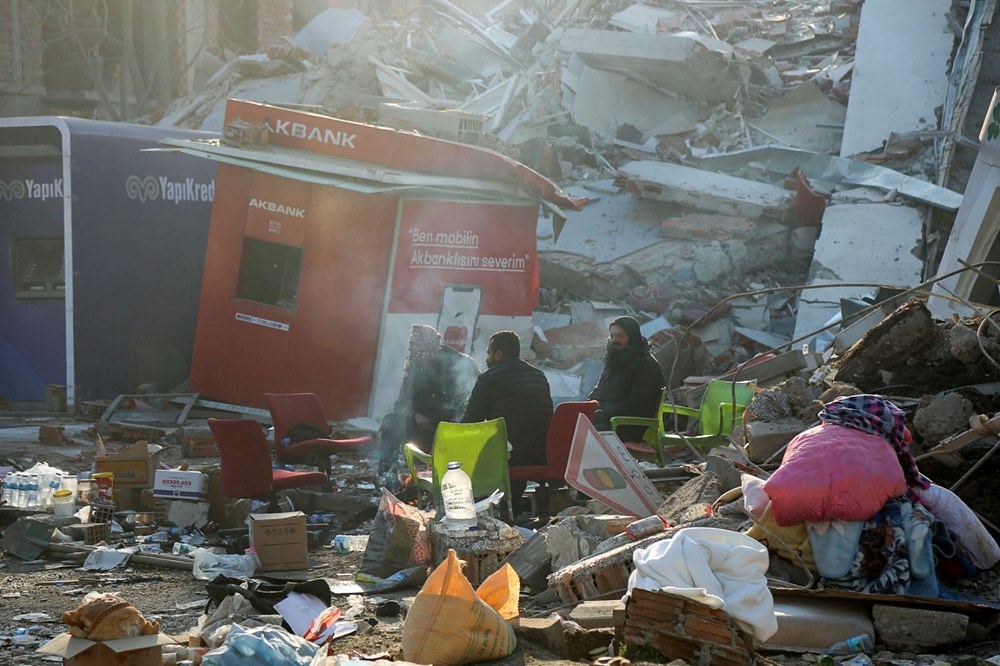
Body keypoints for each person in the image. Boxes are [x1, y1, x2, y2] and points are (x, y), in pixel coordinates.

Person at [464, 331, 553, 518]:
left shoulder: (488, 379)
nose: (486, 359)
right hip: (541, 454)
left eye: (488, 353)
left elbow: (470, 422)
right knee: (513, 440)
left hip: (510, 457)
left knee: (480, 449)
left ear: (498, 355)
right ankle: (513, 508)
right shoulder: (539, 376)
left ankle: (478, 512)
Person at [378, 324, 480, 473]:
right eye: (411, 344)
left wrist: (435, 417)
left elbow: (463, 404)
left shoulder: (453, 363)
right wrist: (415, 414)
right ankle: (387, 476)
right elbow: (401, 404)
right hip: (423, 428)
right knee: (391, 421)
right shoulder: (414, 365)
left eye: (415, 344)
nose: (412, 348)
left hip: (449, 428)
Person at [589, 315, 664, 442]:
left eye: (620, 335)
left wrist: (603, 414)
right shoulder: (614, 361)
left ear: (632, 336)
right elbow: (599, 391)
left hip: (629, 425)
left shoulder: (646, 364)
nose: (615, 340)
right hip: (608, 420)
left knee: (584, 433)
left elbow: (637, 404)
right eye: (612, 336)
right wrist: (586, 407)